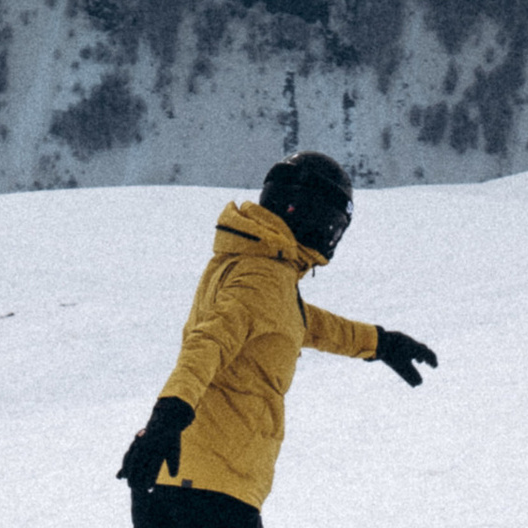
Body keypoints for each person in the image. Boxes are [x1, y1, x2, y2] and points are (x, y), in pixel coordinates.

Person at [117, 150, 438, 528]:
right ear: (308, 213)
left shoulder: (260, 270)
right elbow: (207, 345)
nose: (334, 236)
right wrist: (165, 421)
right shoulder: (262, 276)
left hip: (194, 483)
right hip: (205, 493)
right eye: (334, 224)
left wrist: (380, 343)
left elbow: (303, 324)